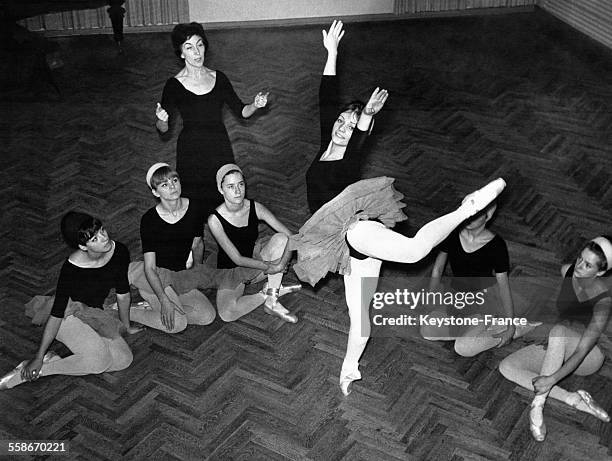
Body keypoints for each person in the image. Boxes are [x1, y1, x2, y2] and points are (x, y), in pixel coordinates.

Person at [291, 175, 507, 395]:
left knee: (414, 251)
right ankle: (349, 370)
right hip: (351, 251)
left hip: (357, 230)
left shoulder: (334, 157)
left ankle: (468, 207)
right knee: (359, 319)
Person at [0, 212, 141, 390]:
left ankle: (52, 362)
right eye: (95, 238)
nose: (104, 238)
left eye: (102, 230)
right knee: (99, 362)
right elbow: (57, 314)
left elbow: (123, 293)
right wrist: (38, 356)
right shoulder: (71, 269)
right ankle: (24, 373)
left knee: (123, 360)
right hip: (67, 315)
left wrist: (126, 326)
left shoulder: (118, 250)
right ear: (83, 246)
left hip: (93, 313)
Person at [498, 236, 612, 442]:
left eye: (587, 265)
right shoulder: (567, 271)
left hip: (588, 358)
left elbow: (581, 351)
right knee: (507, 366)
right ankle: (574, 399)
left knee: (559, 331)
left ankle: (537, 407)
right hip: (559, 342)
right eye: (580, 259)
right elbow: (564, 314)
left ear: (601, 272)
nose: (579, 266)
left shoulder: (604, 302)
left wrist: (551, 378)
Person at [155, 22, 269, 206]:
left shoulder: (219, 78)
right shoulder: (174, 85)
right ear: (181, 53)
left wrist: (255, 105)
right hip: (191, 150)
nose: (197, 52)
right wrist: (162, 120)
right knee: (195, 203)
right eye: (189, 47)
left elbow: (242, 112)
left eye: (200, 45)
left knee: (225, 199)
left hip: (219, 145)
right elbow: (162, 130)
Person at [420, 200, 534, 356]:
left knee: (463, 349)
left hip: (484, 301)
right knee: (427, 330)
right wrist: (430, 302)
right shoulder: (453, 234)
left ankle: (514, 327)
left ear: (487, 217)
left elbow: (503, 286)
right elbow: (437, 270)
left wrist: (510, 326)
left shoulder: (496, 245)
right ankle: (472, 330)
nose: (470, 218)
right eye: (469, 213)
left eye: (476, 215)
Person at [306, 20, 389, 214]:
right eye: (341, 120)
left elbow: (361, 135)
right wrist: (332, 54)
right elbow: (327, 98)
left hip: (336, 233)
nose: (342, 128)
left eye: (351, 127)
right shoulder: (329, 141)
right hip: (316, 222)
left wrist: (367, 114)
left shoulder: (348, 161)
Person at [128, 163, 216, 333]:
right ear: (155, 192)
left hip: (178, 275)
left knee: (207, 316)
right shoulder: (150, 220)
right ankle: (126, 310)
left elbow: (197, 244)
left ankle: (155, 307)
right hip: (155, 275)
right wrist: (163, 299)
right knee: (177, 324)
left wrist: (196, 272)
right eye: (164, 185)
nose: (172, 187)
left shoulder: (194, 208)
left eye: (174, 180)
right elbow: (150, 267)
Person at [208, 164, 300, 323]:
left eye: (240, 184)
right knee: (227, 314)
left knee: (281, 240)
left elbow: (291, 237)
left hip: (256, 262)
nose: (237, 191)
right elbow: (237, 259)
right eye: (230, 186)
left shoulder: (255, 207)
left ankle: (272, 300)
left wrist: (282, 262)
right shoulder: (214, 220)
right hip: (231, 271)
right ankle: (265, 292)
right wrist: (274, 267)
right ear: (220, 189)